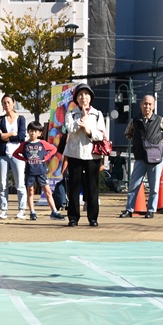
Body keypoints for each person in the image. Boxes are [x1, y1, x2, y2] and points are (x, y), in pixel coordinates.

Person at [120, 94, 163, 219]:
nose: (147, 106)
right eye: (145, 103)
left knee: (154, 186)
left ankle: (151, 210)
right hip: (140, 157)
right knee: (134, 185)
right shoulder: (135, 121)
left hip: (156, 158)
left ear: (153, 106)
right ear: (140, 105)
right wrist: (136, 142)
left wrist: (162, 143)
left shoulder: (160, 120)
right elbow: (127, 133)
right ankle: (129, 210)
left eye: (150, 104)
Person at [62, 83, 105, 226]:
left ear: (90, 97)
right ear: (76, 98)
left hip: (92, 155)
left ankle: (93, 218)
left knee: (92, 186)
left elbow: (101, 135)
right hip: (74, 153)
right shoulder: (70, 113)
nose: (83, 97)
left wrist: (89, 132)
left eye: (86, 94)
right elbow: (69, 128)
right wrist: (81, 120)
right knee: (74, 187)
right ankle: (73, 218)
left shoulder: (97, 114)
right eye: (80, 95)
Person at [13, 121, 62, 221]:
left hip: (41, 171)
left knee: (47, 191)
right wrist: (25, 159)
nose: (32, 133)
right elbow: (15, 154)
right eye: (31, 131)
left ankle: (54, 211)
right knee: (30, 191)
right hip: (30, 171)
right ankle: (32, 212)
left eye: (35, 131)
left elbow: (53, 149)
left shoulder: (42, 143)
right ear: (28, 131)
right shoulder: (24, 144)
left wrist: (46, 157)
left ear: (39, 133)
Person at [0, 94, 27, 219]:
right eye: (4, 103)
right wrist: (12, 134)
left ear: (13, 103)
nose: (6, 105)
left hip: (17, 154)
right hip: (2, 154)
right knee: (2, 184)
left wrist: (6, 135)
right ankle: (3, 209)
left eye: (8, 102)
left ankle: (22, 209)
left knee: (20, 183)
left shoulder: (21, 119)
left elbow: (21, 136)